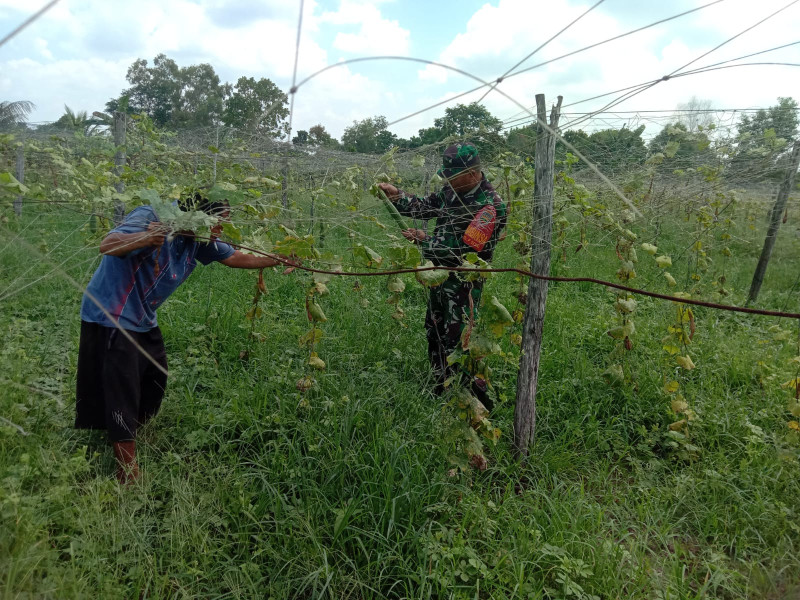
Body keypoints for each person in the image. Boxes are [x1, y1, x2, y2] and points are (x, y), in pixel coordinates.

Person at [75, 195, 296, 484]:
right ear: (196, 215)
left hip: (142, 317)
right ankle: (127, 474)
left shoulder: (201, 239)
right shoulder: (151, 215)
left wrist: (280, 259)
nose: (222, 227)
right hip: (111, 313)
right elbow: (108, 245)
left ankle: (123, 432)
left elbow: (234, 257)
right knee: (123, 390)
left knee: (155, 379)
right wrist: (146, 237)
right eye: (218, 220)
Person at [378, 142, 507, 408]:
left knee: (459, 338)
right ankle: (440, 387)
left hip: (464, 283)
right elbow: (425, 207)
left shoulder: (490, 207)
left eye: (452, 176)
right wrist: (396, 196)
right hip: (438, 277)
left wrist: (424, 240)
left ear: (472, 173)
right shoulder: (451, 191)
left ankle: (473, 399)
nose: (447, 181)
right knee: (435, 328)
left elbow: (465, 254)